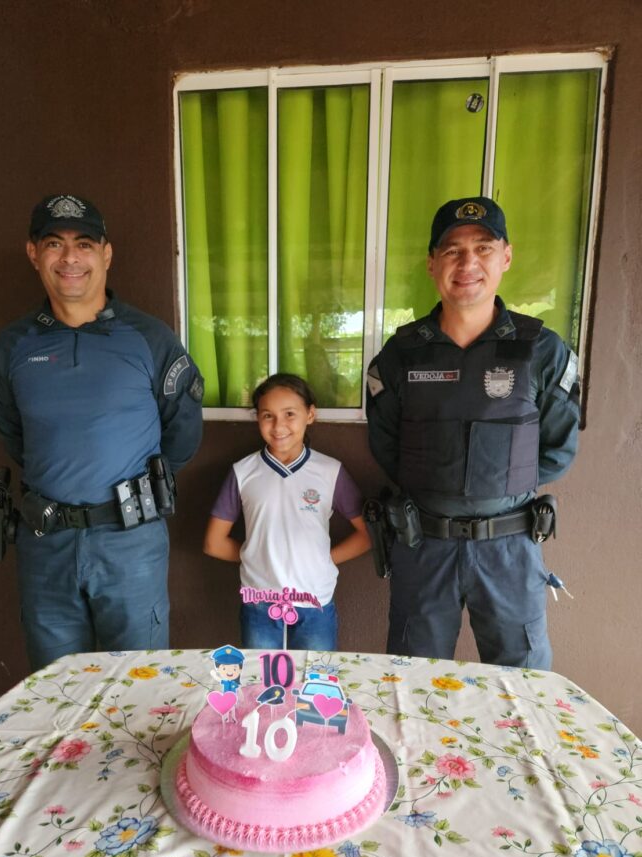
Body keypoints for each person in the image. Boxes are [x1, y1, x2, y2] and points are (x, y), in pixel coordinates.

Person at [0, 194, 204, 670]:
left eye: (84, 243)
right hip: (46, 544)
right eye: (54, 243)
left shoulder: (150, 338)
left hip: (130, 543)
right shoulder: (13, 346)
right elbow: (14, 433)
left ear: (106, 253)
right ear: (33, 253)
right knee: (56, 688)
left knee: (138, 685)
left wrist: (131, 487)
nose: (70, 258)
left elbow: (181, 432)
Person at [366, 196, 580, 670]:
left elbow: (558, 450)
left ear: (506, 256)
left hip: (509, 551)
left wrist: (495, 487)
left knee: (524, 689)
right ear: (431, 263)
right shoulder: (401, 355)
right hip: (424, 547)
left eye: (483, 248)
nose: (468, 263)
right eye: (452, 251)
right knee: (410, 682)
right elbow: (386, 446)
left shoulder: (542, 352)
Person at [203, 373, 371, 650]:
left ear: (311, 414)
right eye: (267, 415)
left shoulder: (330, 471)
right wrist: (257, 556)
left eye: (290, 414)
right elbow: (214, 543)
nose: (279, 425)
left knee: (313, 684)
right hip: (259, 604)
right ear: (257, 418)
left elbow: (367, 535)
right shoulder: (242, 472)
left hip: (315, 602)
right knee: (264, 688)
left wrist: (323, 559)